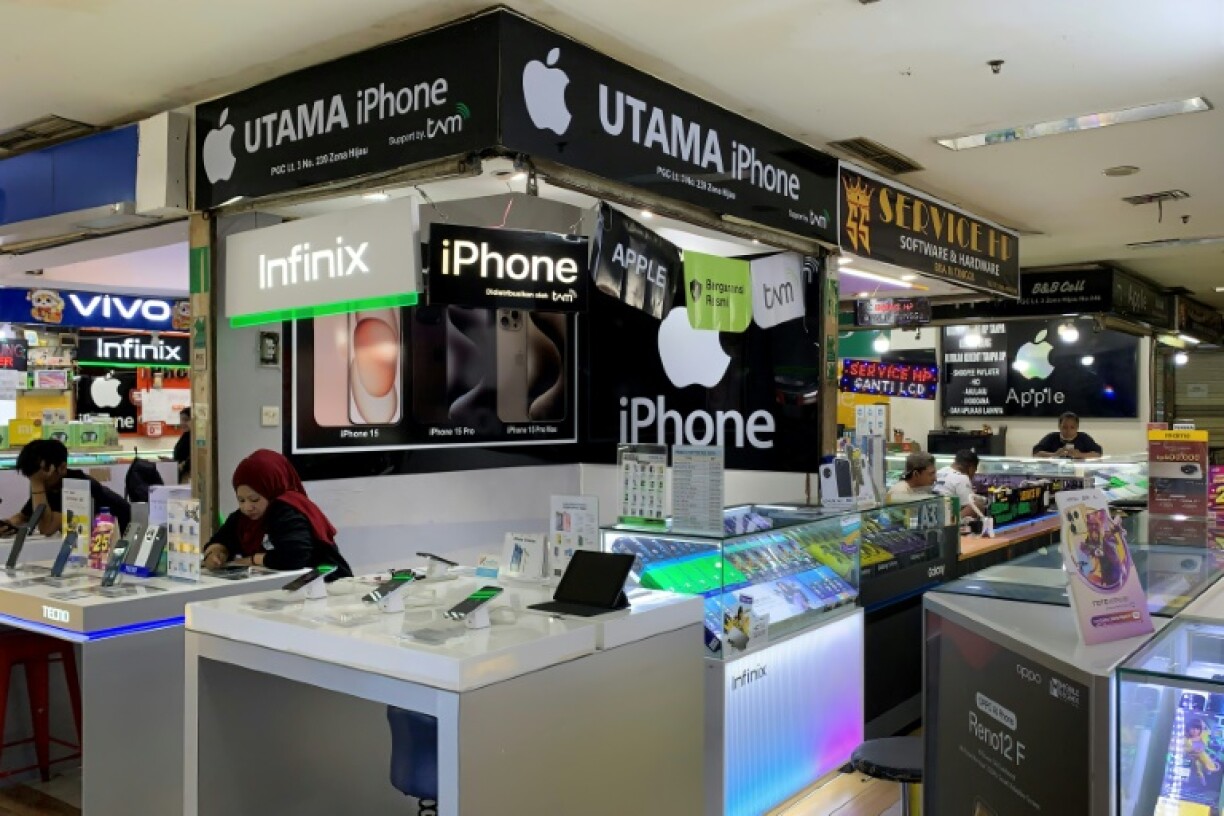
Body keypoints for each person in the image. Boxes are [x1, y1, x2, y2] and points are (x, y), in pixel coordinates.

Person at [203, 449, 352, 577]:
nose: (247, 507)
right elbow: (222, 539)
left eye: (254, 499)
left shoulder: (288, 510)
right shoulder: (243, 518)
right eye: (241, 500)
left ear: (271, 490)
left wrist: (252, 560)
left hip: (325, 586)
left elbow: (294, 557)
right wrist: (215, 553)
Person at [2, 439, 131, 537]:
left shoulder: (79, 486)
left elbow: (46, 527)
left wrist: (37, 483)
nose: (36, 478)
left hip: (121, 541)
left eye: (40, 475)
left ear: (62, 468)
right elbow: (24, 516)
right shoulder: (50, 483)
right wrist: (7, 524)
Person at [934, 449, 988, 520]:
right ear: (971, 467)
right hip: (947, 518)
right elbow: (970, 504)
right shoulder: (962, 478)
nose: (974, 474)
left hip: (935, 512)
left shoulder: (941, 470)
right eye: (974, 470)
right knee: (978, 505)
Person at [1032, 412, 1103, 459]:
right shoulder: (1052, 437)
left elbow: (1098, 453)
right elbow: (1036, 453)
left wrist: (1080, 455)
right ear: (1059, 426)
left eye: (1072, 427)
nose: (1068, 431)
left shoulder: (1083, 437)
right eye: (1065, 427)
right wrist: (1055, 454)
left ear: (1077, 427)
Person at [173, 407, 191, 484]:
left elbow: (193, 458)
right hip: (180, 476)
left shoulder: (194, 439)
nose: (182, 423)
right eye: (181, 420)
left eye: (186, 420)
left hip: (188, 477)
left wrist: (183, 465)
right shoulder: (185, 436)